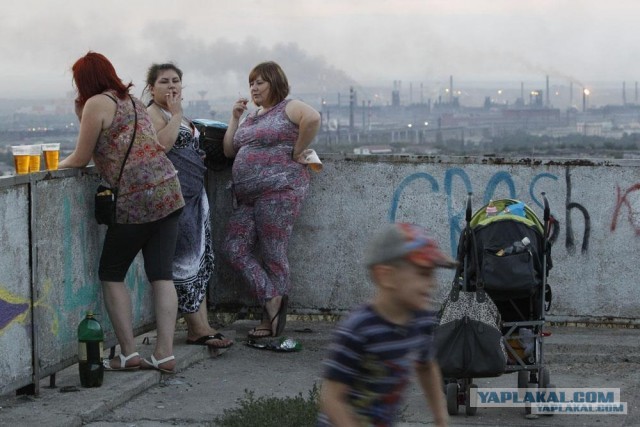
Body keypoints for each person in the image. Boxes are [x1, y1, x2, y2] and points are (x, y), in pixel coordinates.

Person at [59, 52, 184, 374]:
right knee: (161, 275)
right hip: (169, 191)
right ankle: (164, 353)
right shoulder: (131, 101)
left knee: (112, 273)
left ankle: (128, 354)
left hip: (136, 199)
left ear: (83, 81)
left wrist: (50, 168)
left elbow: (80, 157)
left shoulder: (96, 103)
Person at [317, 222, 453, 427]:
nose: (433, 284)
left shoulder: (421, 320)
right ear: (386, 276)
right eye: (424, 273)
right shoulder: (358, 329)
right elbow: (331, 398)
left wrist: (440, 417)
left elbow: (427, 366)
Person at [222, 61, 320, 338]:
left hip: (279, 191)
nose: (254, 88)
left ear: (275, 83)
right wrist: (235, 117)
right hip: (247, 196)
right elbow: (230, 150)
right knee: (233, 248)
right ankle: (271, 297)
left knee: (273, 254)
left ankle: (271, 322)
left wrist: (297, 151)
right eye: (251, 83)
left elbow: (312, 119)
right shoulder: (252, 117)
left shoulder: (288, 107)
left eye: (260, 82)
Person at [144, 62, 233, 350]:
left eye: (176, 81)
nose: (171, 87)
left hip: (196, 196)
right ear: (151, 88)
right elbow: (161, 147)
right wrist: (178, 114)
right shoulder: (152, 114)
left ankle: (202, 326)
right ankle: (197, 327)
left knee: (199, 262)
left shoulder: (176, 116)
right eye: (164, 82)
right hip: (174, 199)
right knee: (182, 263)